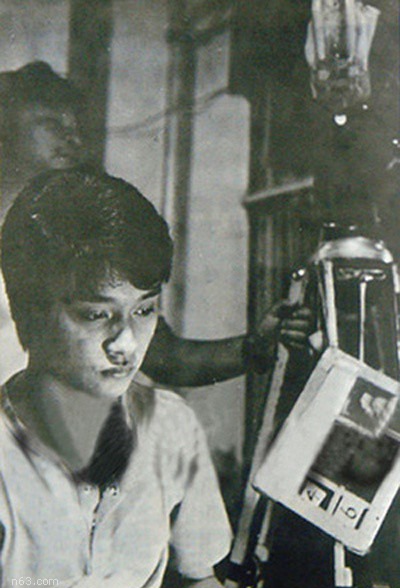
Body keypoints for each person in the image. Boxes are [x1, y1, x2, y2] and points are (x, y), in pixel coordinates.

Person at [0, 61, 311, 388]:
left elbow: (167, 358)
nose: (73, 138)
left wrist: (257, 345)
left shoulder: (87, 238)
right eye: (52, 124)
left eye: (76, 126)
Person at [0, 167, 232, 588]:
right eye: (95, 314)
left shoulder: (170, 426)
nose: (126, 342)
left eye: (144, 310)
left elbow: (199, 580)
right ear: (28, 316)